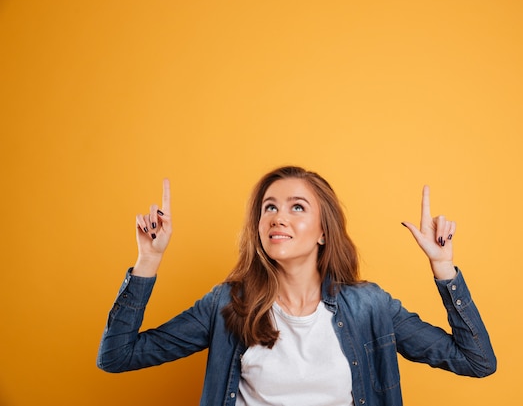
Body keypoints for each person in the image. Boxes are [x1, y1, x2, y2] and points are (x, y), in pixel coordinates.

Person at [97, 166, 496, 406]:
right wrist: (148, 260)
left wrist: (443, 267)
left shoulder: (369, 307)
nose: (277, 217)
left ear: (323, 231)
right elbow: (117, 356)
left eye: (296, 207)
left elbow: (476, 361)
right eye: (269, 206)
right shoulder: (228, 305)